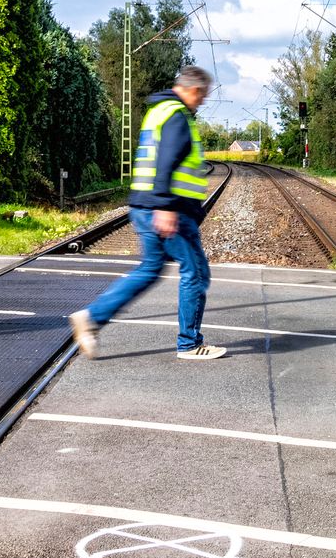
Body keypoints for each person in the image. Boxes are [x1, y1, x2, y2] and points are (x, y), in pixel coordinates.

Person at [69, 66, 225, 360]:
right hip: (169, 209)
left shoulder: (158, 111)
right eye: (202, 95)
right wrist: (165, 206)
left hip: (144, 206)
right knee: (195, 272)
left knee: (150, 269)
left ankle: (91, 317)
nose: (202, 101)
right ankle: (189, 343)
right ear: (193, 89)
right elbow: (166, 161)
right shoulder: (177, 115)